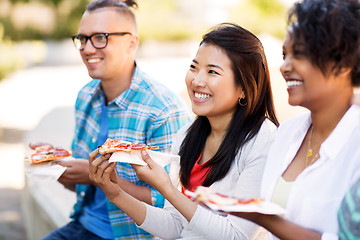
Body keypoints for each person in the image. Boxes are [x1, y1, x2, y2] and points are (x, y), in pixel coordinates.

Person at [89, 23, 279, 239]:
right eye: (194, 67)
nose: (197, 81)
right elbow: (175, 226)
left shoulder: (262, 139)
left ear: (244, 87)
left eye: (212, 72)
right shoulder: (187, 135)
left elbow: (236, 236)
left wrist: (166, 188)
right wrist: (114, 193)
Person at [42, 0, 192, 239]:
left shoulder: (163, 110)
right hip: (82, 225)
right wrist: (55, 164)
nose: (88, 49)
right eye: (82, 39)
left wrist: (98, 178)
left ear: (132, 43)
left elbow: (174, 203)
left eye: (100, 37)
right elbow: (82, 187)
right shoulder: (86, 96)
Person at [227, 0, 360, 239]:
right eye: (284, 54)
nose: (284, 67)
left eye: (300, 54)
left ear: (344, 64)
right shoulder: (288, 132)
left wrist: (263, 219)